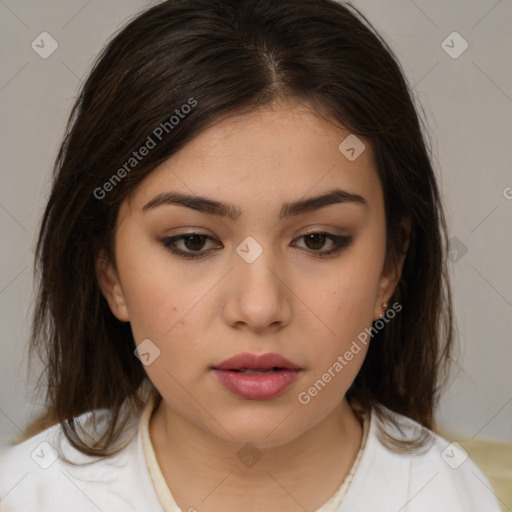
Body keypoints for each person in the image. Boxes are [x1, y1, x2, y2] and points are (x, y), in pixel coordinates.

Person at [0, 0, 502, 511]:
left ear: (389, 269)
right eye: (193, 241)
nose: (260, 308)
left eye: (318, 240)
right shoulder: (26, 494)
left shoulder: (450, 497)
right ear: (110, 272)